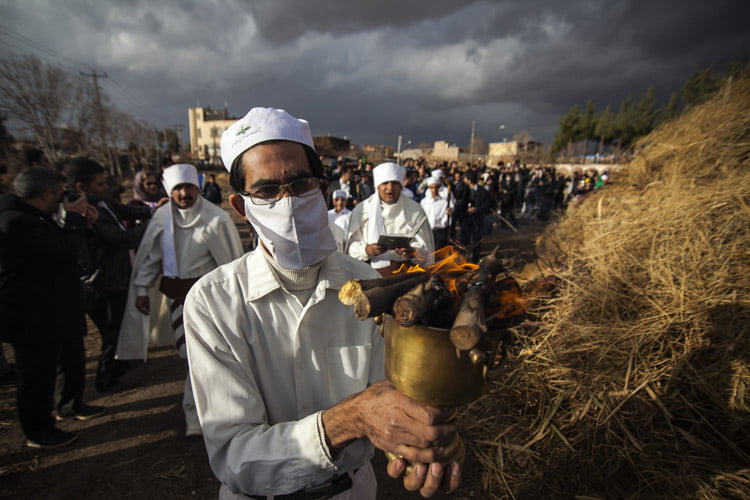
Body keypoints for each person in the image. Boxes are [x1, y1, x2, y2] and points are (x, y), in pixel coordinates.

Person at [184, 107, 460, 499]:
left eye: (299, 185)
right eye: (266, 190)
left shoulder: (369, 290)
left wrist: (422, 440)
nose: (287, 202)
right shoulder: (214, 302)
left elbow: (390, 398)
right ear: (242, 207)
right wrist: (348, 421)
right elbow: (233, 455)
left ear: (322, 188)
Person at [116, 163, 243, 437]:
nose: (184, 194)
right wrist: (141, 291)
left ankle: (198, 414)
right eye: (178, 189)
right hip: (176, 299)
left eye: (188, 187)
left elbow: (229, 264)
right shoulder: (162, 219)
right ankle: (198, 413)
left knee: (204, 355)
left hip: (207, 301)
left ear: (197, 188)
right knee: (190, 357)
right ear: (170, 191)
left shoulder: (216, 219)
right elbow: (151, 259)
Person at [0, 167, 103, 449]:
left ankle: (69, 404)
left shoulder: (34, 218)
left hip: (54, 309)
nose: (64, 198)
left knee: (68, 360)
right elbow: (64, 252)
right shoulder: (16, 222)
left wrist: (79, 222)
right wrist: (72, 220)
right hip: (32, 316)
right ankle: (39, 431)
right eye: (60, 194)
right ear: (46, 194)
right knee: (37, 375)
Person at [63, 158, 156, 391]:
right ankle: (105, 380)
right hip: (104, 285)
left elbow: (127, 210)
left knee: (117, 329)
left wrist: (155, 209)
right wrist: (155, 220)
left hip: (116, 279)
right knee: (111, 333)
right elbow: (123, 239)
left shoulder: (102, 202)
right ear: (82, 188)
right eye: (101, 184)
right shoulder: (85, 211)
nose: (107, 187)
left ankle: (116, 370)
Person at [347, 162, 435, 276]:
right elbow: (350, 248)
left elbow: (426, 251)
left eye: (394, 183)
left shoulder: (415, 210)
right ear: (377, 186)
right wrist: (366, 250)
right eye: (385, 183)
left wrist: (412, 252)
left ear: (401, 185)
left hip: (405, 275)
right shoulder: (362, 210)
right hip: (367, 275)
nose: (390, 188)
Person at [460, 170, 490, 263]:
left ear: (469, 180)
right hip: (465, 220)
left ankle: (474, 261)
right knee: (463, 241)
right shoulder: (464, 189)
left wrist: (477, 209)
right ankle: (462, 260)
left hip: (478, 220)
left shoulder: (482, 191)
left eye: (465, 178)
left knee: (476, 241)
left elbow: (487, 205)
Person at [420, 175, 453, 250]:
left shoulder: (444, 202)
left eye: (436, 187)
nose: (434, 190)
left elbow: (447, 220)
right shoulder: (424, 202)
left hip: (439, 232)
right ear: (429, 188)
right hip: (427, 231)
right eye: (432, 187)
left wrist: (449, 213)